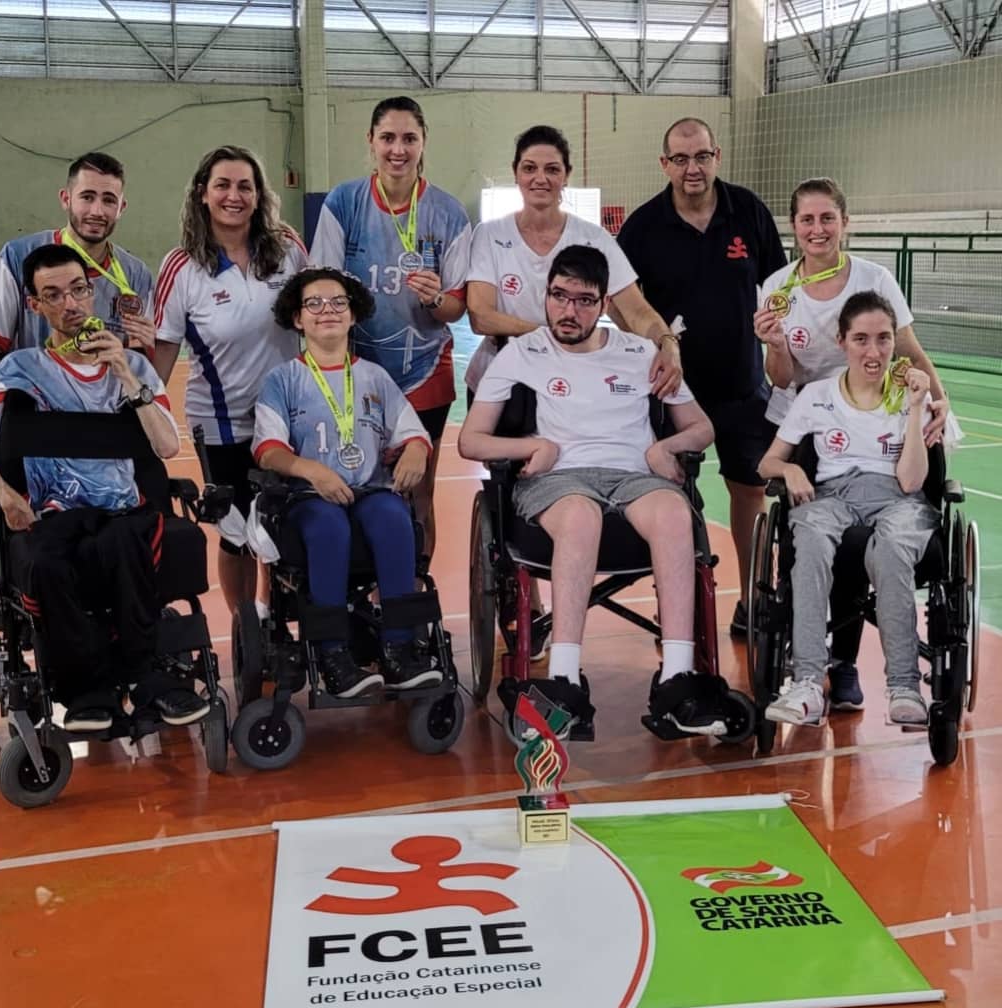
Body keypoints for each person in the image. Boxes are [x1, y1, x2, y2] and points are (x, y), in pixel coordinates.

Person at [459, 246, 719, 737]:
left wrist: (671, 448)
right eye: (559, 297)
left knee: (673, 513)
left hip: (633, 477)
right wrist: (530, 446)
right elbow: (470, 440)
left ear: (603, 306)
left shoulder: (642, 353)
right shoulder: (522, 351)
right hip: (559, 482)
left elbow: (701, 427)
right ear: (546, 297)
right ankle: (563, 680)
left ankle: (677, 679)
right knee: (581, 517)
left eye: (583, 300)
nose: (569, 310)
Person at [0, 244, 205, 732]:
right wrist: (7, 498)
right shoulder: (14, 372)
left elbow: (165, 447)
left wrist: (123, 371)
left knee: (124, 540)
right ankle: (86, 693)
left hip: (122, 511)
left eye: (77, 290)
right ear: (35, 306)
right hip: (52, 514)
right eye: (53, 295)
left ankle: (146, 679)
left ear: (93, 292)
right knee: (46, 560)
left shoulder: (135, 368)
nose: (69, 304)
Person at [753, 176, 952, 710]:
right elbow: (781, 376)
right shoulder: (777, 288)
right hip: (815, 416)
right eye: (806, 219)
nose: (817, 229)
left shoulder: (874, 279)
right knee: (818, 533)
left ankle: (857, 672)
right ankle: (808, 675)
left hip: (884, 412)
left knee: (883, 540)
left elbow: (906, 345)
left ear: (844, 222)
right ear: (793, 227)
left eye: (827, 218)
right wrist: (774, 343)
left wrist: (937, 399)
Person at [0, 151, 155, 633]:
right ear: (67, 199)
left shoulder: (135, 275)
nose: (96, 209)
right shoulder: (20, 257)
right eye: (87, 197)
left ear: (122, 207)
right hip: (31, 414)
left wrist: (142, 346)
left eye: (108, 199)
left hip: (98, 417)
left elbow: (141, 362)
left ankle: (140, 587)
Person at [616, 117, 787, 638]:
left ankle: (756, 598)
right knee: (670, 496)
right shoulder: (643, 226)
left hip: (742, 386)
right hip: (672, 393)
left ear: (717, 156)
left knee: (749, 493)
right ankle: (678, 606)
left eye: (702, 156)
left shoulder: (749, 212)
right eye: (681, 159)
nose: (693, 168)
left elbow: (778, 286)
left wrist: (778, 331)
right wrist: (652, 341)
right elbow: (621, 304)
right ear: (665, 164)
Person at [253, 267, 441, 697]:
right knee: (328, 527)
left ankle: (400, 649)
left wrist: (415, 449)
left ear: (353, 314)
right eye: (314, 304)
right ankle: (333, 654)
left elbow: (411, 431)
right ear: (297, 319)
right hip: (308, 498)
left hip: (368, 490)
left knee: (395, 518)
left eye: (338, 302)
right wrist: (312, 470)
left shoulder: (374, 376)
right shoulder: (283, 380)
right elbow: (269, 450)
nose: (327, 311)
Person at [758, 291, 939, 728]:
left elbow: (913, 482)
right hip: (831, 495)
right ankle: (805, 683)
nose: (873, 351)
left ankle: (903, 687)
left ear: (895, 342)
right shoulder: (817, 394)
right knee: (813, 542)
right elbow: (767, 462)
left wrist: (916, 409)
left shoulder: (911, 396)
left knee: (892, 549)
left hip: (896, 496)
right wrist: (791, 471)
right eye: (861, 339)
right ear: (842, 341)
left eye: (882, 339)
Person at [309, 96, 471, 559]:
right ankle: (363, 595)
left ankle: (410, 597)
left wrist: (436, 298)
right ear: (371, 142)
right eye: (388, 138)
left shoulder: (448, 213)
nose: (398, 149)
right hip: (356, 373)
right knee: (355, 485)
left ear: (423, 144)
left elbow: (457, 308)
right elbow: (320, 290)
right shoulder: (344, 202)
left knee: (419, 492)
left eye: (409, 139)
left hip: (423, 371)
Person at [153, 145, 308, 615]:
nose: (233, 196)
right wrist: (141, 422)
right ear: (203, 194)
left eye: (245, 186)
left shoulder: (289, 250)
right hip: (222, 425)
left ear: (260, 196)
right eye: (222, 185)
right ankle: (249, 631)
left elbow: (323, 316)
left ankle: (273, 615)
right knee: (238, 533)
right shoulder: (181, 267)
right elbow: (160, 356)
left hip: (288, 419)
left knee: (283, 525)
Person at [465, 124, 681, 400]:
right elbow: (481, 316)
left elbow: (635, 312)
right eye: (530, 168)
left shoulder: (594, 238)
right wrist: (555, 336)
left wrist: (667, 343)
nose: (540, 178)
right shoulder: (489, 234)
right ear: (516, 173)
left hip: (570, 384)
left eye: (552, 169)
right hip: (499, 383)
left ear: (566, 175)